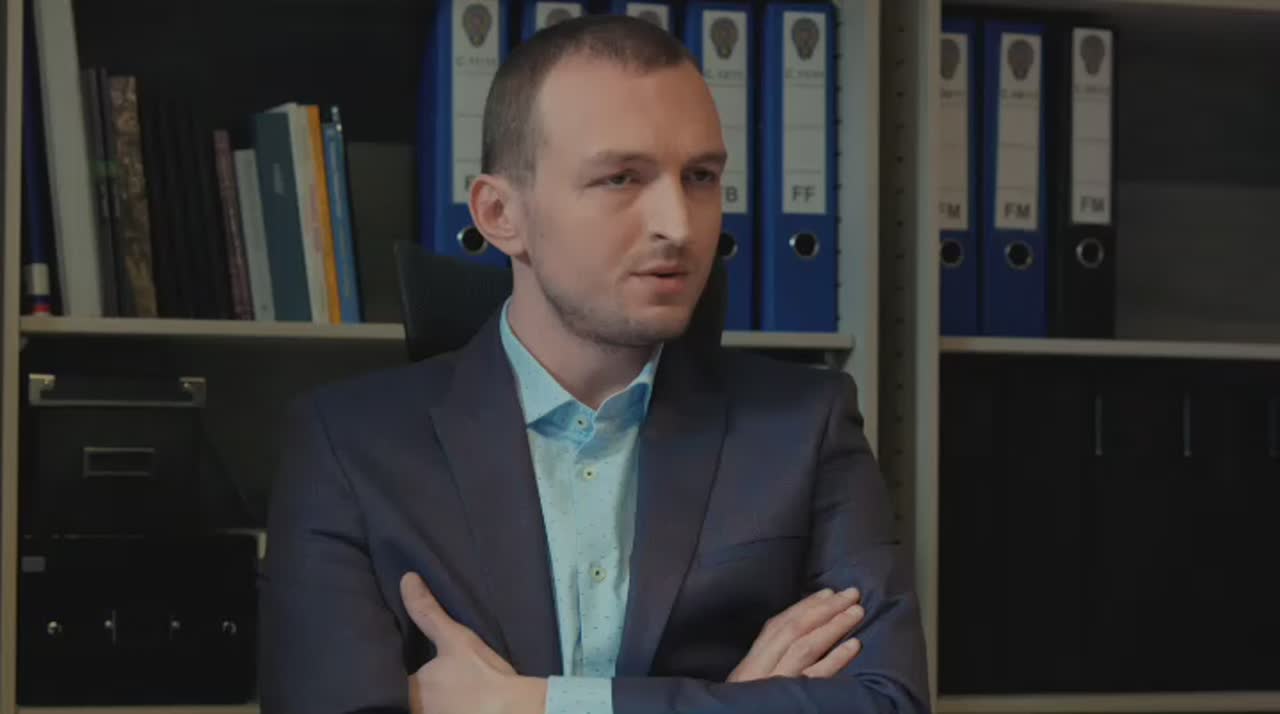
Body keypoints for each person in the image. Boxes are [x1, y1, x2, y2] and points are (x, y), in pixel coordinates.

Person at [259, 14, 930, 714]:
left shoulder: (805, 428)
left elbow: (888, 705)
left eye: (701, 176)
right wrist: (728, 703)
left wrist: (532, 705)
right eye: (621, 178)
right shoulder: (345, 446)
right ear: (500, 214)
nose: (679, 224)